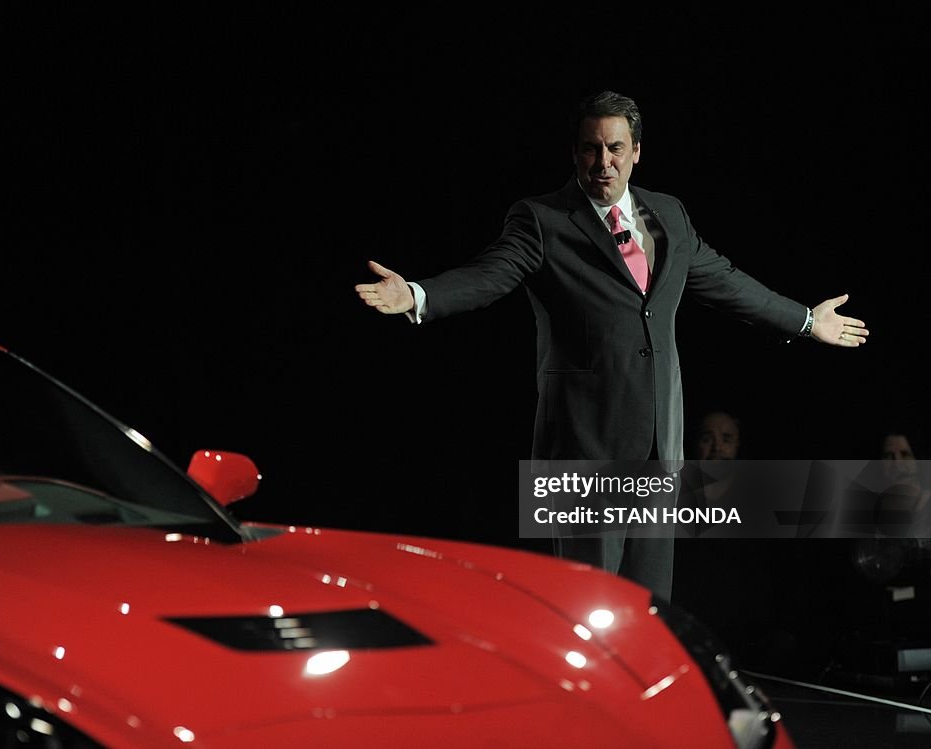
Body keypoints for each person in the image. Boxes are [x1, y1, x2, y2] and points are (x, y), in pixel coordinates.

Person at [353, 90, 869, 601]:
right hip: (585, 450)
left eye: (615, 148)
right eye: (590, 149)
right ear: (575, 152)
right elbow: (490, 273)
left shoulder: (667, 215)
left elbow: (726, 282)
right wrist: (420, 295)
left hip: (658, 449)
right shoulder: (543, 219)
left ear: (636, 151)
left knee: (649, 609)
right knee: (590, 609)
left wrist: (804, 320)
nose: (603, 162)